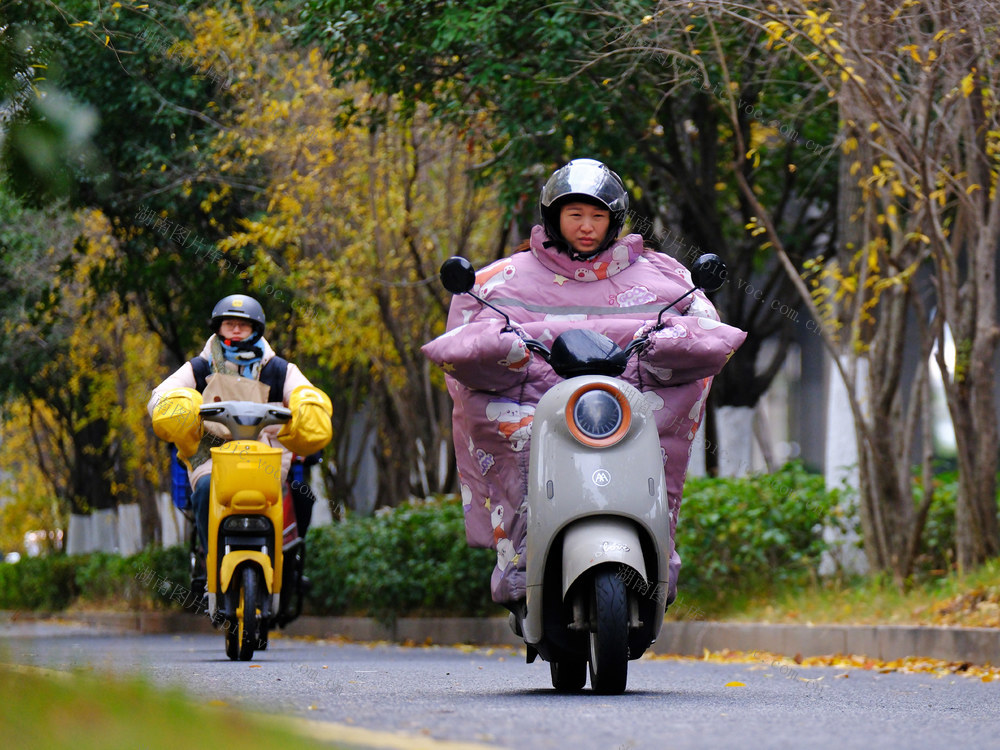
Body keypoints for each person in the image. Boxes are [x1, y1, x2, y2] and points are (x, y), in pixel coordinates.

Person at [421, 158, 746, 610]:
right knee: (512, 436)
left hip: (627, 407)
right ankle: (520, 560)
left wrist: (661, 349)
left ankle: (659, 552)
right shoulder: (499, 280)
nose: (587, 227)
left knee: (656, 441)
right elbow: (462, 337)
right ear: (553, 218)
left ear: (615, 221)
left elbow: (705, 327)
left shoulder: (667, 276)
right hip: (536, 409)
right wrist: (507, 355)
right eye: (575, 215)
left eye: (597, 216)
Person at [148, 294, 332, 564]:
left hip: (266, 458)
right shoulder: (199, 367)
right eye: (229, 323)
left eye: (243, 325)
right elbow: (159, 397)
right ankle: (210, 554)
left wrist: (308, 413)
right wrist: (177, 409)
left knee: (298, 498)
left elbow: (307, 395)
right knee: (205, 489)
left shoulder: (280, 370)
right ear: (218, 328)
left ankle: (285, 559)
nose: (235, 329)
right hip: (211, 456)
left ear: (256, 329)